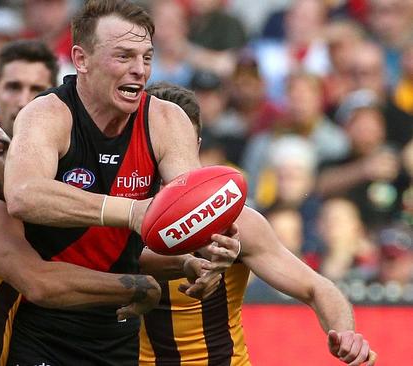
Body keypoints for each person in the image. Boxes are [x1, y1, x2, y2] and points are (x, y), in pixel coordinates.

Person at [3, 1, 241, 364]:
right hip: (41, 326)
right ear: (81, 60)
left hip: (120, 327)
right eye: (124, 56)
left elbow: (187, 210)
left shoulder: (165, 118)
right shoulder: (47, 113)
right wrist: (131, 211)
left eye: (147, 57)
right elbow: (23, 195)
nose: (140, 71)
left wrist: (209, 251)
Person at [0, 114, 171, 365]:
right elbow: (40, 283)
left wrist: (181, 263)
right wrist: (136, 287)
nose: (15, 161)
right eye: (0, 151)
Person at [140, 82, 377, 366]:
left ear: (198, 145)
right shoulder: (118, 211)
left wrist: (346, 333)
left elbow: (317, 288)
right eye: (161, 138)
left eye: (181, 141)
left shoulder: (235, 220)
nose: (170, 151)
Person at [0, 39, 58, 137]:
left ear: (56, 98)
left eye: (37, 90)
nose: (23, 102)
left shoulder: (83, 151)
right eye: (14, 88)